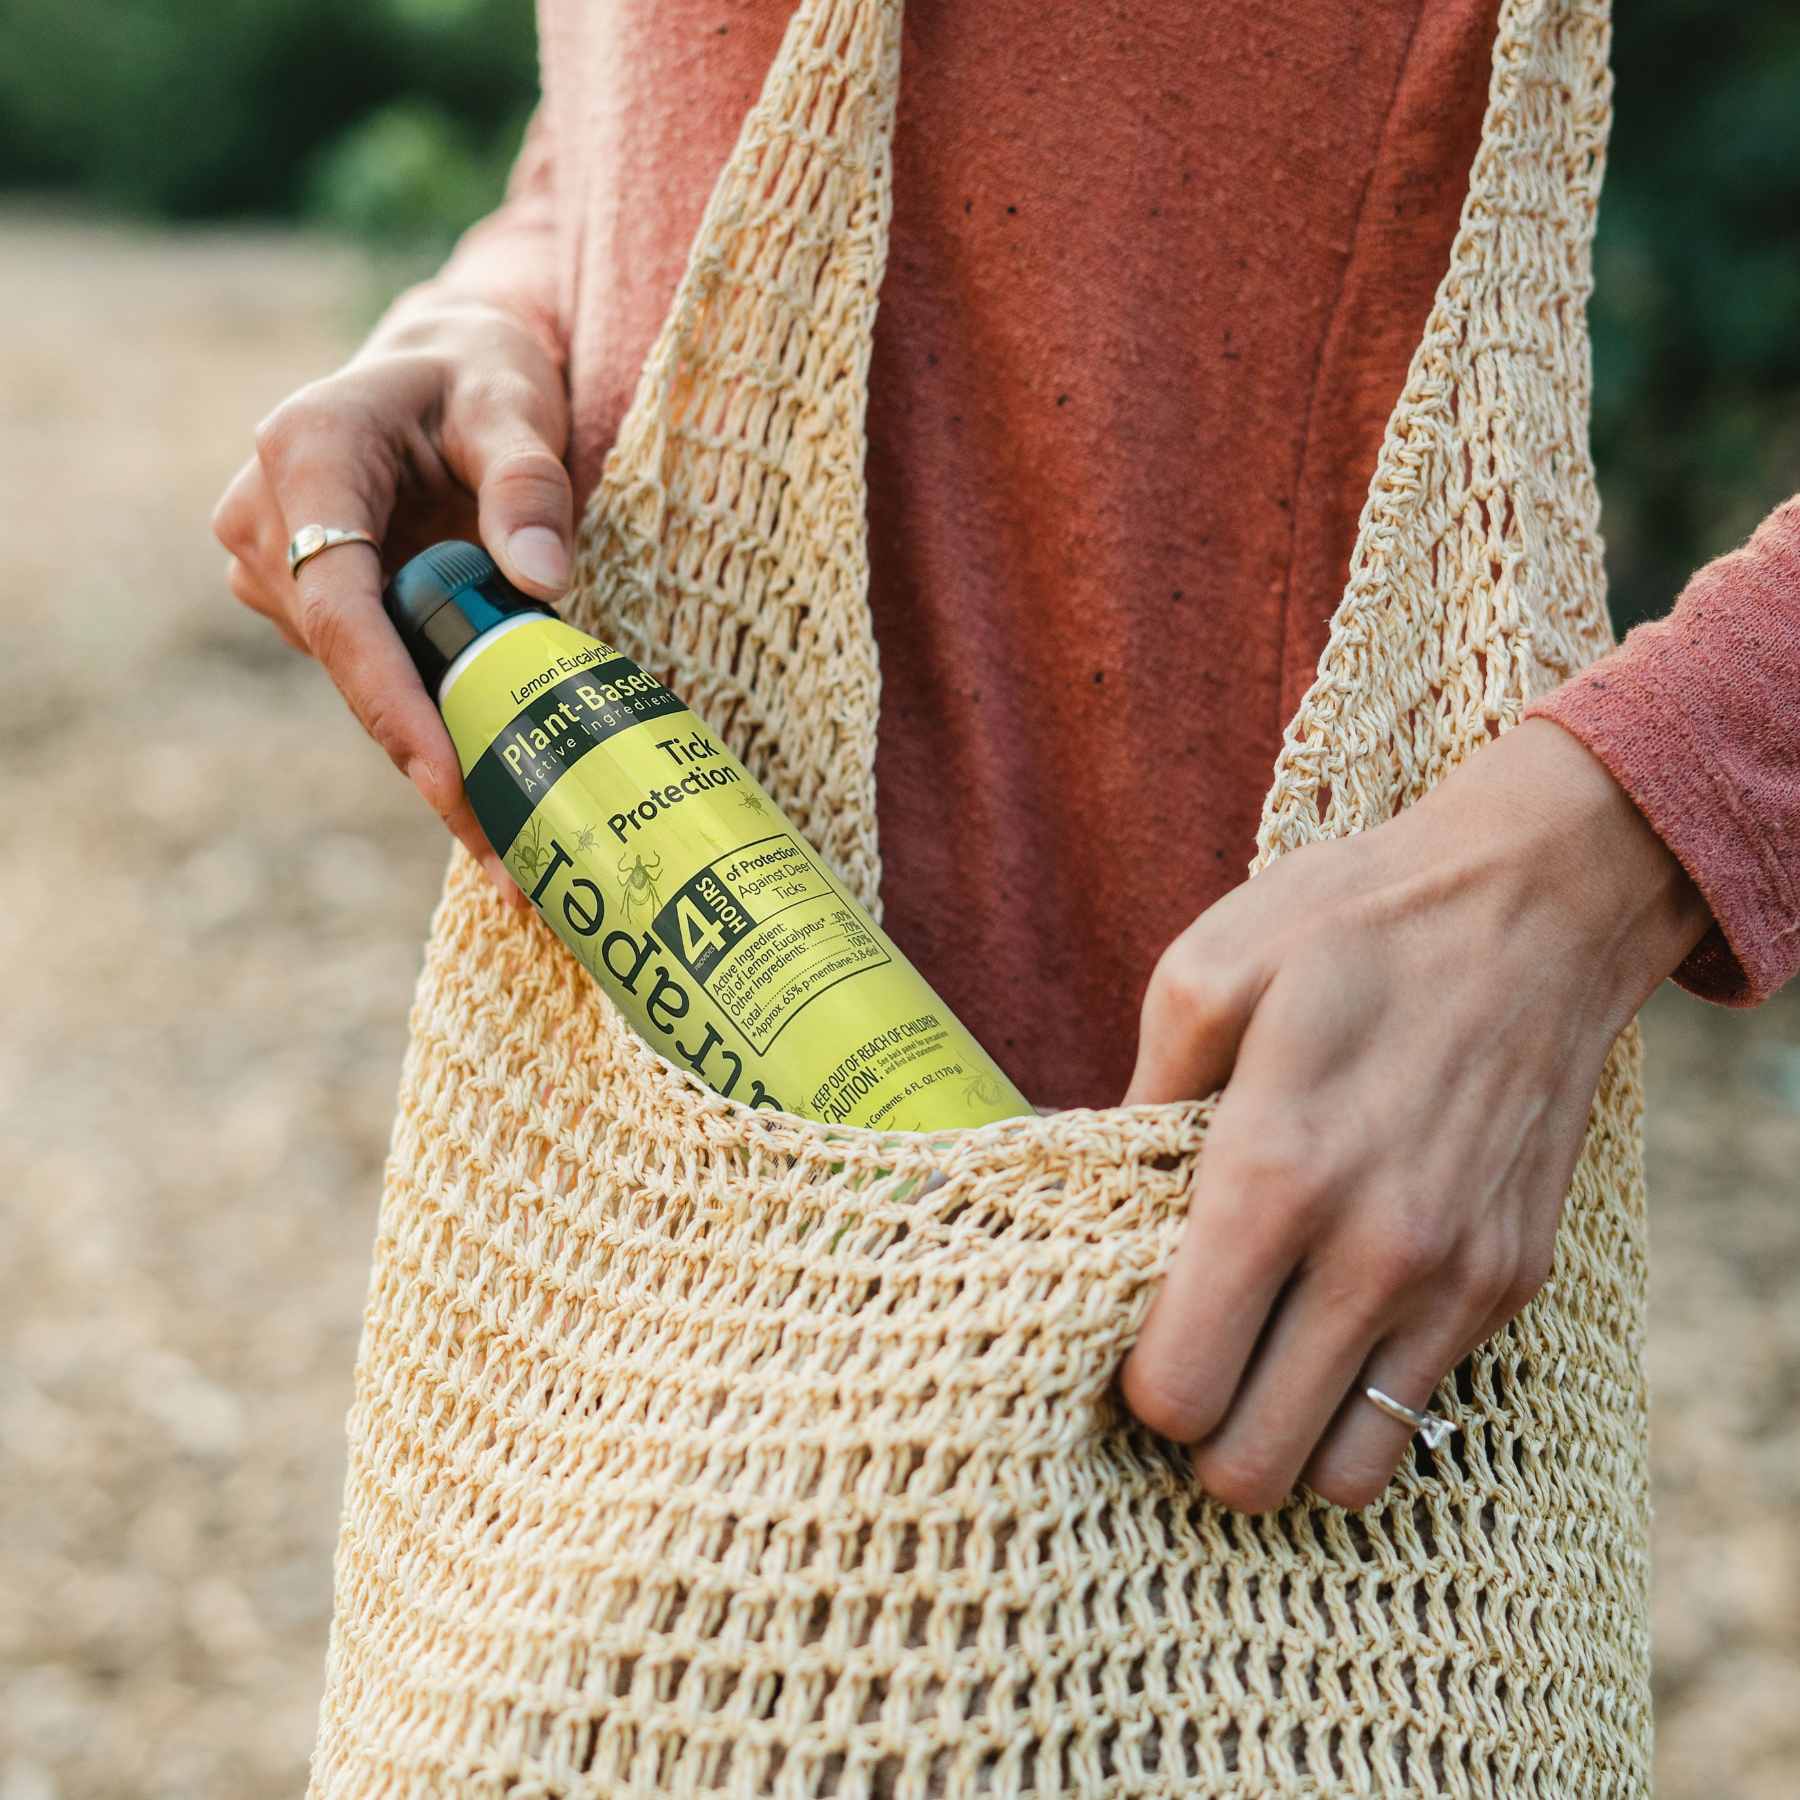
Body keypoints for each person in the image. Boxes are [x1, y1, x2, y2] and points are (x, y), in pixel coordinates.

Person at [212, 0, 1797, 1519]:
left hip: (1274, 1224)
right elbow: (629, 106)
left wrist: (1608, 852)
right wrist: (492, 309)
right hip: (627, 1201)